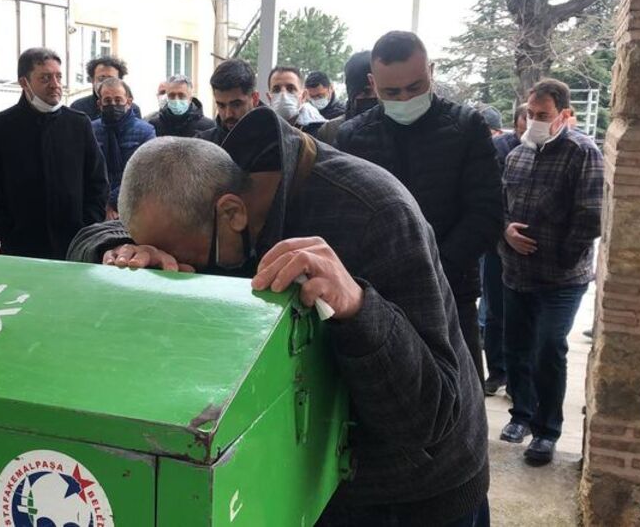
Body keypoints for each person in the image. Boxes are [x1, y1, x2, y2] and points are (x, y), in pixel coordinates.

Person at [68, 108, 489, 526]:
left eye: (187, 262)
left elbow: (430, 415)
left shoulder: (376, 213)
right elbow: (94, 235)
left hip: (412, 494)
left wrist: (359, 309)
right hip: (302, 485)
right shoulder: (211, 185)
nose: (186, 272)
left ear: (232, 213)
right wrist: (119, 251)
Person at [336, 31, 502, 386]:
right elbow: (348, 218)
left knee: (462, 398)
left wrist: (432, 269)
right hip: (380, 297)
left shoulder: (465, 127)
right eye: (392, 92)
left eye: (415, 87)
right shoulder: (353, 136)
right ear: (373, 84)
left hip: (452, 292)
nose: (405, 99)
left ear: (431, 72)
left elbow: (486, 214)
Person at [498, 78, 603, 466]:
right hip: (516, 273)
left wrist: (560, 257)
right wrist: (505, 232)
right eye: (530, 114)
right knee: (516, 348)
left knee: (548, 349)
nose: (534, 121)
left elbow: (591, 215)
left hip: (561, 279)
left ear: (564, 115)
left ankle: (546, 431)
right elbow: (500, 205)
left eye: (543, 115)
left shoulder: (582, 153)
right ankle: (521, 416)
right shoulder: (517, 155)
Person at [0, 48, 108, 260]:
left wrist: (85, 227)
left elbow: (98, 182)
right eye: (45, 78)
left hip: (73, 249)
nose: (55, 84)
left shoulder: (78, 124)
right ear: (24, 82)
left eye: (58, 77)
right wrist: (7, 231)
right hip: (21, 251)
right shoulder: (0, 127)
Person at [480, 103, 528, 397]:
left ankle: (519, 379)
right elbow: (490, 196)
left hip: (535, 251)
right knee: (495, 312)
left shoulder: (567, 151)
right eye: (527, 120)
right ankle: (497, 371)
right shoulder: (499, 149)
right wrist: (505, 229)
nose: (532, 126)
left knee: (525, 319)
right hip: (498, 246)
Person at [91, 77, 156, 220]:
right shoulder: (91, 130)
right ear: (100, 104)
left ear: (129, 102)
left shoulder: (146, 131)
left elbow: (144, 173)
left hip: (133, 204)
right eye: (107, 101)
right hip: (97, 206)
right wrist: (103, 204)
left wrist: (113, 202)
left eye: (118, 100)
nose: (113, 105)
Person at [317, 51, 379, 146]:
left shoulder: (398, 126)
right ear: (351, 94)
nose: (375, 97)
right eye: (366, 92)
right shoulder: (330, 131)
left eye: (381, 92)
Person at [196, 58, 261, 145]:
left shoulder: (273, 142)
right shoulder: (202, 144)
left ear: (255, 99)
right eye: (221, 106)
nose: (228, 114)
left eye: (236, 105)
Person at [69, 55, 141, 120]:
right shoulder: (78, 108)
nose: (105, 83)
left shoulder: (132, 109)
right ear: (92, 80)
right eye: (101, 78)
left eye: (111, 79)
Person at [148, 75, 216, 137]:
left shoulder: (208, 126)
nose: (176, 99)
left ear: (190, 98)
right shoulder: (154, 125)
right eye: (172, 95)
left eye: (181, 95)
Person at [268, 66, 327, 135]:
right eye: (276, 90)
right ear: (269, 98)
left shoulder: (320, 130)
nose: (283, 94)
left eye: (290, 89)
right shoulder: (261, 127)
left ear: (303, 96)